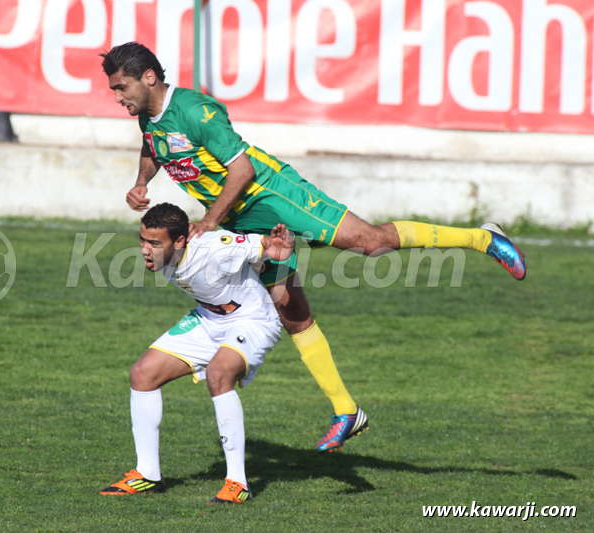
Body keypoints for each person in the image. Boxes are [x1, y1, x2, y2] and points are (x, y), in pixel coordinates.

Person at [99, 42, 526, 454]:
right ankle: (346, 410)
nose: (118, 96)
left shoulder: (195, 110)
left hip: (270, 193)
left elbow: (243, 168)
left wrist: (209, 221)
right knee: (288, 306)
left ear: (149, 77)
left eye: (122, 87)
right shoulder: (149, 118)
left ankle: (484, 238)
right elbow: (153, 146)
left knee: (371, 243)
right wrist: (141, 182)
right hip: (238, 216)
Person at [100, 202, 293, 504]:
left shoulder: (214, 249)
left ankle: (237, 483)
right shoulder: (168, 253)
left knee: (218, 374)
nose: (144, 250)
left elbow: (265, 245)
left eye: (153, 243)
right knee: (142, 373)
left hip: (253, 320)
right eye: (142, 240)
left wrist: (277, 247)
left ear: (179, 242)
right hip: (209, 320)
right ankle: (148, 474)